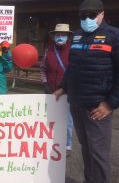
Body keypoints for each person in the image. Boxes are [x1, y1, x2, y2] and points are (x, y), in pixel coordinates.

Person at [54, 0, 119, 183]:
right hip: (77, 103)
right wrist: (63, 87)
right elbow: (73, 67)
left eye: (91, 15)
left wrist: (110, 104)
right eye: (83, 15)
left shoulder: (116, 36)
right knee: (86, 148)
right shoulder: (78, 35)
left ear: (102, 14)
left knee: (98, 154)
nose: (87, 18)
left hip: (98, 108)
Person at [40, 23, 74, 156]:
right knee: (50, 119)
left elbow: (75, 71)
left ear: (68, 36)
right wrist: (45, 84)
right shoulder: (48, 51)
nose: (60, 37)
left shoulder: (73, 51)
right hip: (50, 91)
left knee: (67, 121)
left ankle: (67, 145)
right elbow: (43, 68)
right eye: (58, 35)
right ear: (54, 36)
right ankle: (51, 141)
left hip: (67, 92)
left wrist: (65, 88)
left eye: (63, 35)